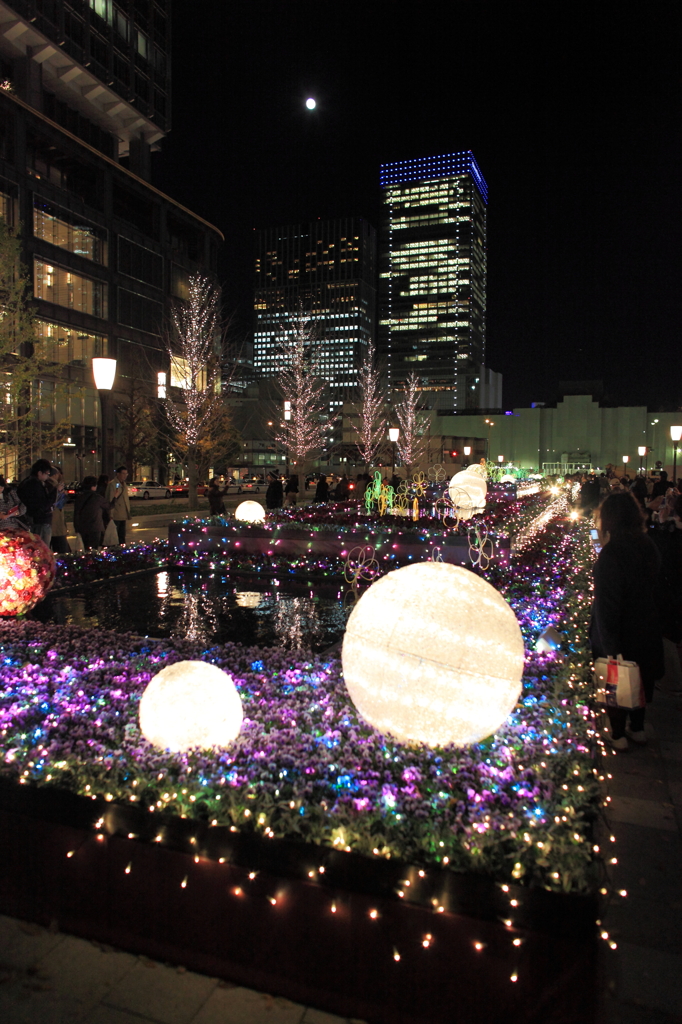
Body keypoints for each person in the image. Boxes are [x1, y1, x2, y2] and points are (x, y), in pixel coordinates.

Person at [590, 491, 664, 750]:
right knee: (640, 676)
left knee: (617, 679)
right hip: (645, 624)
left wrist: (609, 645)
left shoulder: (611, 554)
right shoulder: (647, 544)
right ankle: (638, 727)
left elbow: (607, 605)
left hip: (619, 630)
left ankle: (618, 733)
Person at [17, 458, 54, 544]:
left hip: (31, 520)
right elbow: (42, 504)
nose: (48, 476)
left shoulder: (26, 482)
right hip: (40, 521)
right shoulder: (35, 485)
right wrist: (54, 493)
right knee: (42, 548)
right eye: (47, 473)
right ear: (40, 473)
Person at [74, 476, 111, 550]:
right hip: (95, 527)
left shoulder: (79, 497)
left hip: (82, 527)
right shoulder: (97, 497)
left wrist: (76, 527)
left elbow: (76, 513)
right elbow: (109, 506)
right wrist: (115, 497)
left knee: (86, 548)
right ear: (93, 486)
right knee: (94, 548)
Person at [105, 466, 131, 544]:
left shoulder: (124, 484)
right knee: (116, 535)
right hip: (116, 514)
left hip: (123, 513)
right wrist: (110, 514)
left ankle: (122, 549)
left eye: (126, 473)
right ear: (118, 474)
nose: (125, 475)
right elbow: (110, 499)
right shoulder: (113, 484)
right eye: (123, 473)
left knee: (122, 535)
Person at [49, 468, 71, 553]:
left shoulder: (47, 484)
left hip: (51, 524)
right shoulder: (54, 485)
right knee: (62, 550)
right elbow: (58, 505)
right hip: (56, 525)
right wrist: (62, 495)